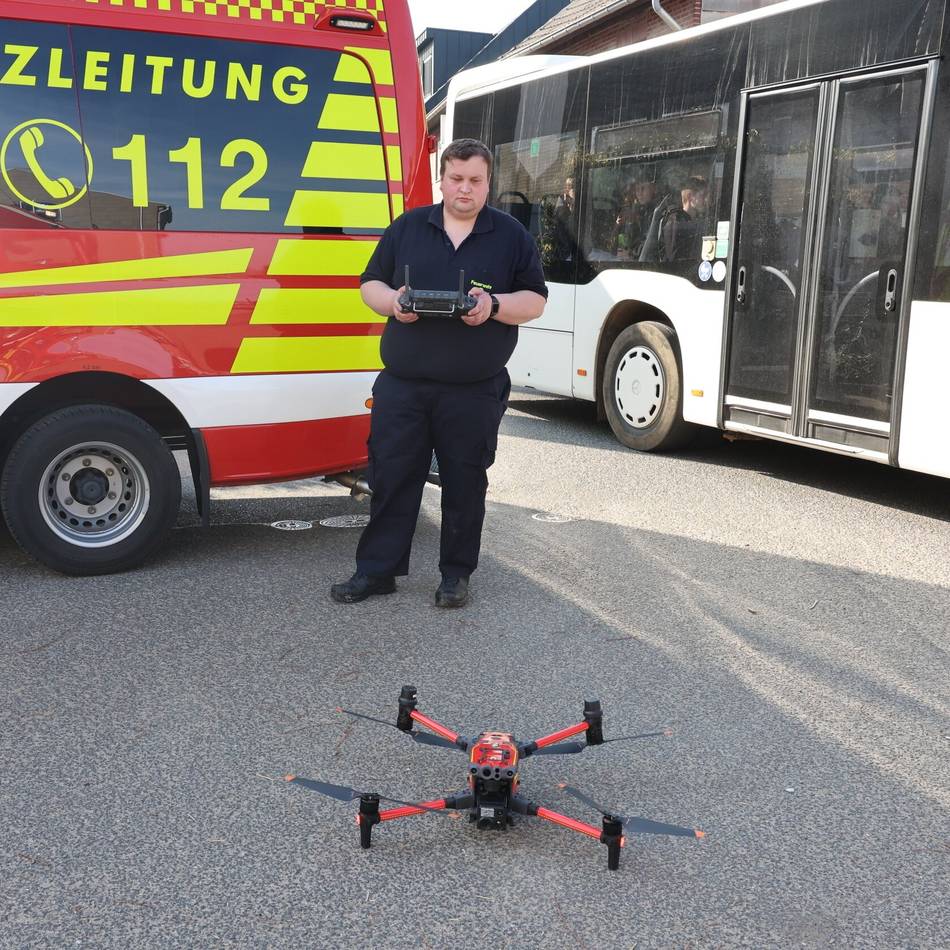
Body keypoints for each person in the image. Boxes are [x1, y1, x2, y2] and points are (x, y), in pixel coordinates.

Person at [330, 139, 548, 608]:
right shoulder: (408, 227)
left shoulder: (511, 236)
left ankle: (455, 577)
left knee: (465, 483)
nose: (465, 189)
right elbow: (370, 284)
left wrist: (492, 306)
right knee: (390, 479)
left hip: (473, 391)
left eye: (475, 180)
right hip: (403, 387)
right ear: (442, 179)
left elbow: (535, 300)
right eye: (456, 179)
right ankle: (376, 571)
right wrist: (394, 303)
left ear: (489, 182)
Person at [659, 176, 708, 262]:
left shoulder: (683, 220)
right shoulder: (677, 224)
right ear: (690, 197)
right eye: (703, 195)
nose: (706, 199)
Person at [614, 173, 658, 259]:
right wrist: (617, 226)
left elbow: (649, 243)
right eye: (637, 189)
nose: (639, 193)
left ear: (653, 188)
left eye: (643, 188)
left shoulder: (655, 211)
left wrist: (631, 254)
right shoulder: (640, 210)